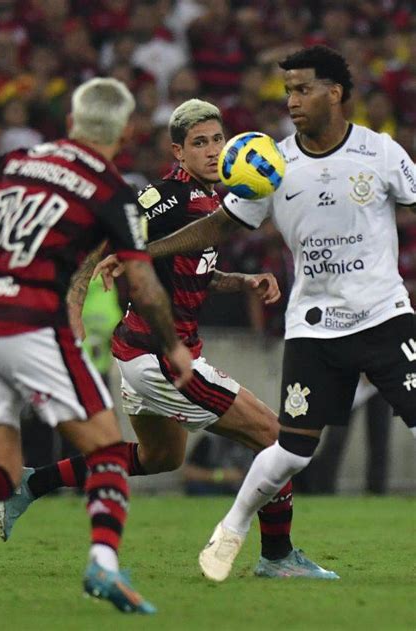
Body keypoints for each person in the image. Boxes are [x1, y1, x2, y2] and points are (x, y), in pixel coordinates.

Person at [102, 46, 415, 581]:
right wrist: (142, 252)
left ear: (334, 92)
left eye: (302, 89)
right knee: (290, 449)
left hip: (386, 317)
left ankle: (252, 543)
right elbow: (219, 226)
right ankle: (238, 533)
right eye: (287, 90)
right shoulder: (272, 163)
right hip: (313, 329)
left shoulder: (380, 153)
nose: (291, 101)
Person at [0, 98, 338, 581]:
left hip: (140, 355)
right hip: (160, 357)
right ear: (178, 152)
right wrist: (73, 308)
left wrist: (240, 280)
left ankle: (32, 483)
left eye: (218, 139)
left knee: (160, 457)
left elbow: (188, 267)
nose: (213, 150)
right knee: (274, 436)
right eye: (200, 143)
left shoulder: (213, 201)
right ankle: (277, 557)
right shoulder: (166, 198)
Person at [0, 77, 194, 614]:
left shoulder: (19, 159)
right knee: (106, 449)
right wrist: (172, 346)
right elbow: (144, 284)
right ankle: (103, 566)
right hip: (27, 321)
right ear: (127, 130)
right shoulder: (109, 189)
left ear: (73, 121)